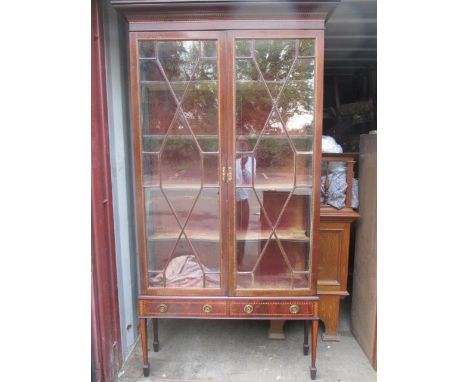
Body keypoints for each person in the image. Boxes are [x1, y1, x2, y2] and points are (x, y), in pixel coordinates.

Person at [236, 136, 256, 270]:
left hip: (243, 202)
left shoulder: (251, 161)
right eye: (239, 141)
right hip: (230, 201)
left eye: (244, 142)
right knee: (229, 231)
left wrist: (243, 167)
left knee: (242, 232)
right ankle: (229, 260)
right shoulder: (231, 158)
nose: (242, 144)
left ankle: (239, 261)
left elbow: (250, 181)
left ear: (248, 144)